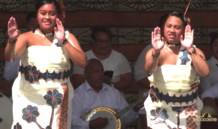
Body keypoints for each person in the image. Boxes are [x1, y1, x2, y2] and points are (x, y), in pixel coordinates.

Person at [5, 0, 87, 128]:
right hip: (28, 98)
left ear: (58, 16)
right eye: (43, 13)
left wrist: (63, 41)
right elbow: (10, 57)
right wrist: (11, 41)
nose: (47, 17)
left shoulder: (67, 37)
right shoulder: (26, 37)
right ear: (37, 15)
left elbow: (82, 62)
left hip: (56, 100)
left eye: (52, 13)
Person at [144, 12, 210, 129]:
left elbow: (205, 72)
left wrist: (190, 49)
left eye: (177, 27)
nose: (172, 30)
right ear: (163, 28)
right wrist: (156, 51)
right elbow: (149, 69)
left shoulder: (195, 51)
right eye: (168, 26)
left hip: (189, 109)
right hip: (160, 109)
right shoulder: (155, 52)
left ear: (184, 30)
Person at [71, 59, 142, 129]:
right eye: (96, 72)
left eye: (102, 71)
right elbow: (72, 121)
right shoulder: (77, 95)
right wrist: (90, 124)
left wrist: (134, 110)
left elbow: (125, 120)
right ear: (86, 73)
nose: (100, 74)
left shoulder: (114, 93)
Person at [72, 26, 132, 92]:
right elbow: (77, 81)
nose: (104, 44)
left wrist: (110, 86)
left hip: (114, 98)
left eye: (107, 41)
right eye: (100, 41)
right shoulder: (83, 58)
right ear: (93, 41)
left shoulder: (120, 57)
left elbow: (128, 81)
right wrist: (96, 81)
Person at [4, 11, 38, 82]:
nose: (35, 30)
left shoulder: (50, 45)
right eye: (33, 26)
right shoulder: (19, 44)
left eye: (38, 27)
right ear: (27, 25)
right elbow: (8, 76)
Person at [133, 43, 152, 129]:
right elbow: (139, 75)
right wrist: (159, 89)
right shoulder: (150, 49)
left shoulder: (189, 49)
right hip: (150, 96)